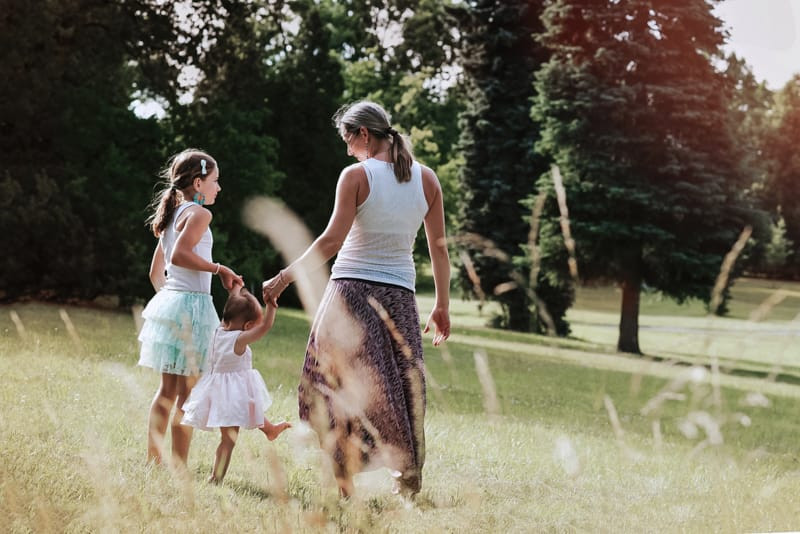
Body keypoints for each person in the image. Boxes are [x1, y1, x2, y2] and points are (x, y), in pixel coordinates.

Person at [262, 100, 451, 498]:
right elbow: (439, 248)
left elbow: (331, 241)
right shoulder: (428, 179)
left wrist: (282, 279)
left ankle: (346, 482)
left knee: (332, 387)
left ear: (364, 134)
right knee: (398, 390)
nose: (347, 149)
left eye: (349, 139)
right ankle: (405, 477)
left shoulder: (356, 175)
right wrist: (442, 306)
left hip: (350, 295)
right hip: (400, 297)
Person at [138, 148, 243, 469]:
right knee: (187, 395)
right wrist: (220, 269)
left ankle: (153, 462)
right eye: (215, 181)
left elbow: (156, 272)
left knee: (166, 391)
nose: (218, 188)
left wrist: (170, 300)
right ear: (198, 183)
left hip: (171, 302)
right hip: (192, 309)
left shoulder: (173, 215)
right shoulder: (199, 214)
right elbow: (180, 256)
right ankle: (180, 468)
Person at [181, 286, 291, 484]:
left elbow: (235, 303)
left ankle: (269, 430)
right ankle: (216, 477)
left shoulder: (217, 331)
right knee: (229, 438)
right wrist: (271, 305)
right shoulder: (239, 339)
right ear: (248, 326)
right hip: (231, 393)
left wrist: (236, 289)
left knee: (249, 408)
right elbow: (265, 326)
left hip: (219, 389)